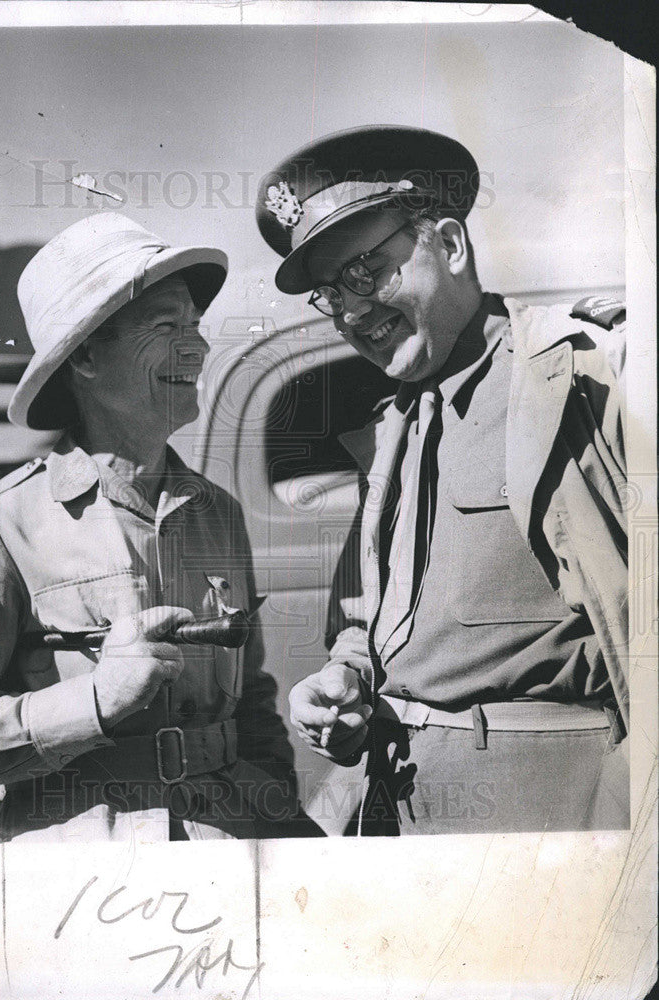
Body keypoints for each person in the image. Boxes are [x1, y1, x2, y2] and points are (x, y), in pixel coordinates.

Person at [0, 211, 320, 842]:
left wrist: (280, 821)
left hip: (236, 846)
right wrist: (95, 701)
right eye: (166, 326)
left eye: (194, 326)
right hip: (88, 883)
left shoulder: (217, 513)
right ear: (85, 356)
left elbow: (251, 702)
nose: (197, 347)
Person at [256, 125, 628, 834]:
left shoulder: (581, 381)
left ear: (450, 246)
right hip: (405, 816)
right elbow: (383, 622)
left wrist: (621, 836)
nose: (352, 312)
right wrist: (347, 681)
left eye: (366, 271)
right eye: (331, 293)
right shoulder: (393, 423)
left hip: (551, 824)